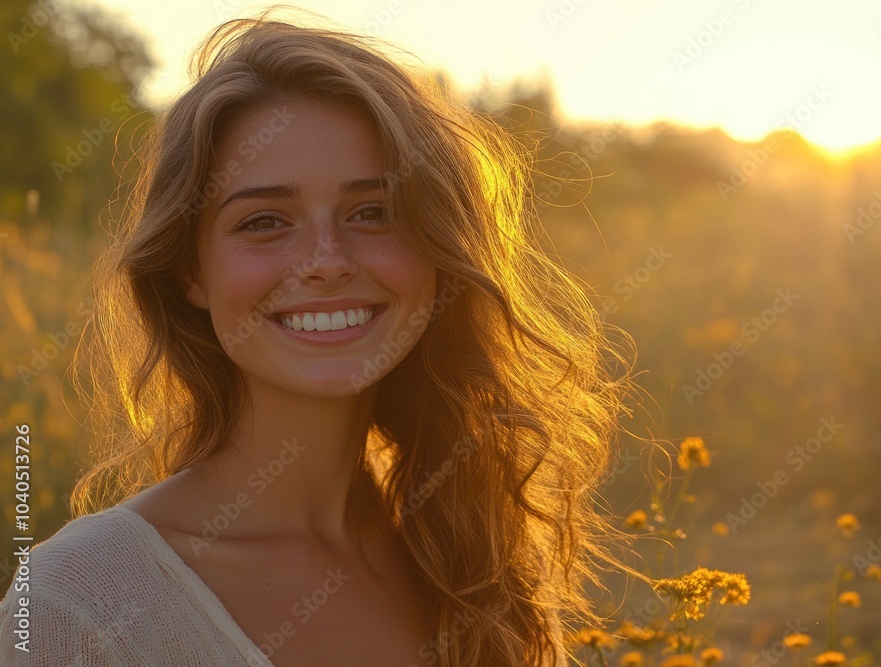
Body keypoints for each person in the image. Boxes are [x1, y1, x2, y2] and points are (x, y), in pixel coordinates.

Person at [1, 10, 639, 666]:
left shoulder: (477, 558)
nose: (327, 259)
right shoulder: (77, 606)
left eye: (373, 212)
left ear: (439, 253)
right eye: (265, 221)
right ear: (191, 270)